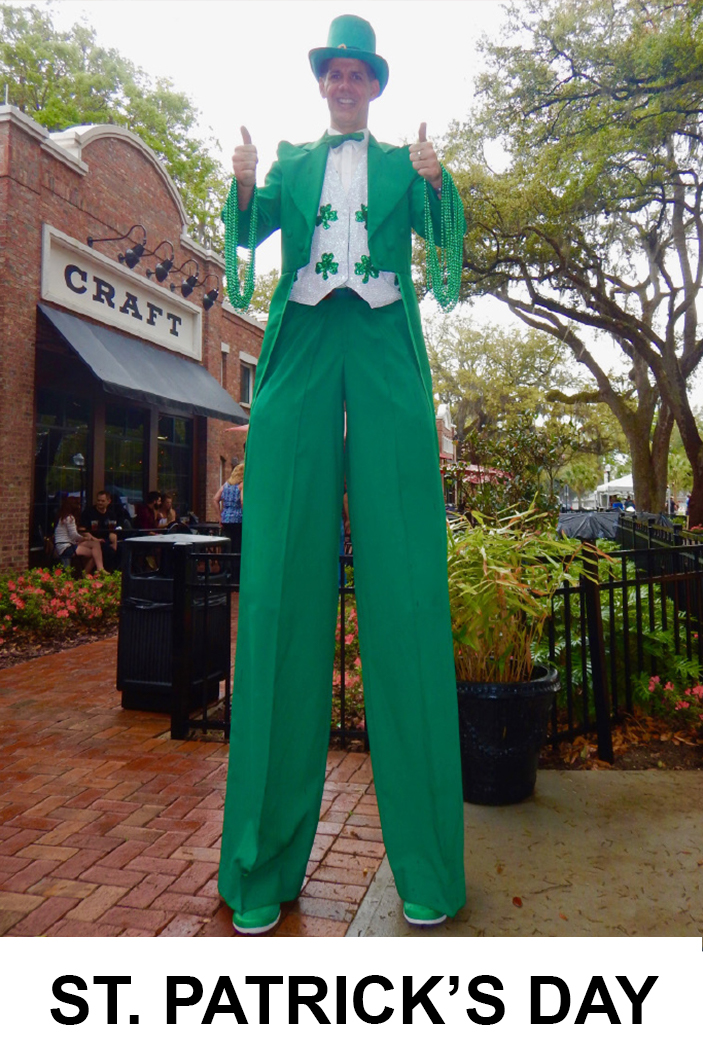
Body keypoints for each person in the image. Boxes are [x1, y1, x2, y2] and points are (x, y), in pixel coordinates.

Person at [218, 15, 466, 936]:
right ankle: (258, 869)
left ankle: (430, 869)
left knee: (404, 594)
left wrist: (440, 185)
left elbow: (446, 253)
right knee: (280, 588)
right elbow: (249, 238)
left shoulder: (403, 166)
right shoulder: (288, 161)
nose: (347, 85)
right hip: (306, 344)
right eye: (336, 73)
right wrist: (243, 190)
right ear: (323, 82)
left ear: (376, 85)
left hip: (384, 347)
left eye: (360, 74)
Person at [53, 495, 104, 573]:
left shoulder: (63, 517)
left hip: (63, 545)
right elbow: (74, 535)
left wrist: (88, 539)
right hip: (67, 547)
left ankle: (99, 568)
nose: (80, 507)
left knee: (95, 544)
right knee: (95, 556)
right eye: (78, 504)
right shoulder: (70, 518)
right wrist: (84, 538)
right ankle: (86, 574)